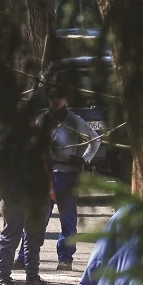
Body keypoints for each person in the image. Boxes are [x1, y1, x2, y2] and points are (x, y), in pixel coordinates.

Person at [0, 101, 53, 285]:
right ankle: (3, 280)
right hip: (15, 197)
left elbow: (46, 164)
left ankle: (33, 278)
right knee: (11, 237)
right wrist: (7, 196)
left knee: (35, 239)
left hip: (38, 197)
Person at [40, 88, 100, 271]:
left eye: (58, 97)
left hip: (67, 175)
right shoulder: (42, 120)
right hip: (46, 175)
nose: (55, 101)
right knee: (39, 216)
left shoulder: (74, 120)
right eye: (51, 97)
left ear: (65, 98)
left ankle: (65, 258)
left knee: (68, 219)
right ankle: (25, 256)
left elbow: (95, 139)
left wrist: (84, 159)